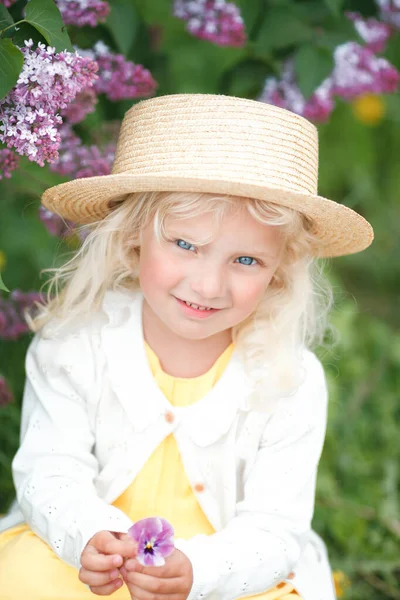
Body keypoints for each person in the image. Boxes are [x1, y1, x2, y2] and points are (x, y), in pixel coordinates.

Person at [0, 93, 373, 600]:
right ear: (133, 238)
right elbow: (50, 470)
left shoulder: (289, 379)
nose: (208, 286)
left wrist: (197, 571)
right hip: (89, 566)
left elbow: (274, 529)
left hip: (226, 574)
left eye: (245, 261)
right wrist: (91, 538)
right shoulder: (76, 341)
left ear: (280, 269)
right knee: (19, 575)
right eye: (185, 245)